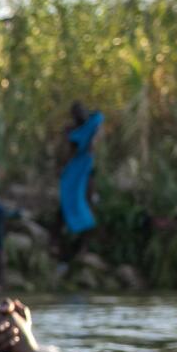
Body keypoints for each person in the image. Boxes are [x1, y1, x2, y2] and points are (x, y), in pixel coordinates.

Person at [58, 102, 105, 258]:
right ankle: (69, 239)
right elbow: (69, 151)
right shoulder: (71, 131)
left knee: (87, 202)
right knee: (71, 199)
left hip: (87, 170)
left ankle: (84, 244)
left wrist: (94, 139)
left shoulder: (95, 121)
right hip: (75, 170)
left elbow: (98, 129)